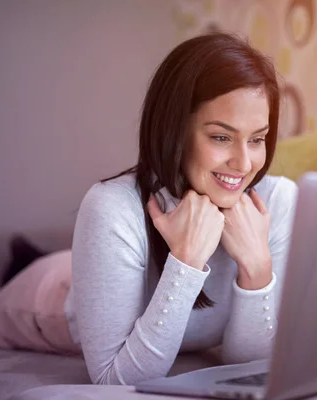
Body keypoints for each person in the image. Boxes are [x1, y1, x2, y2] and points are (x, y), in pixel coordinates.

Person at [65, 32, 298, 386]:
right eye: (221, 137)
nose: (243, 162)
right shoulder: (111, 209)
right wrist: (186, 264)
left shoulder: (276, 201)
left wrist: (257, 269)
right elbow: (114, 381)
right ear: (174, 130)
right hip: (47, 298)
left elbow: (250, 368)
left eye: (257, 139)